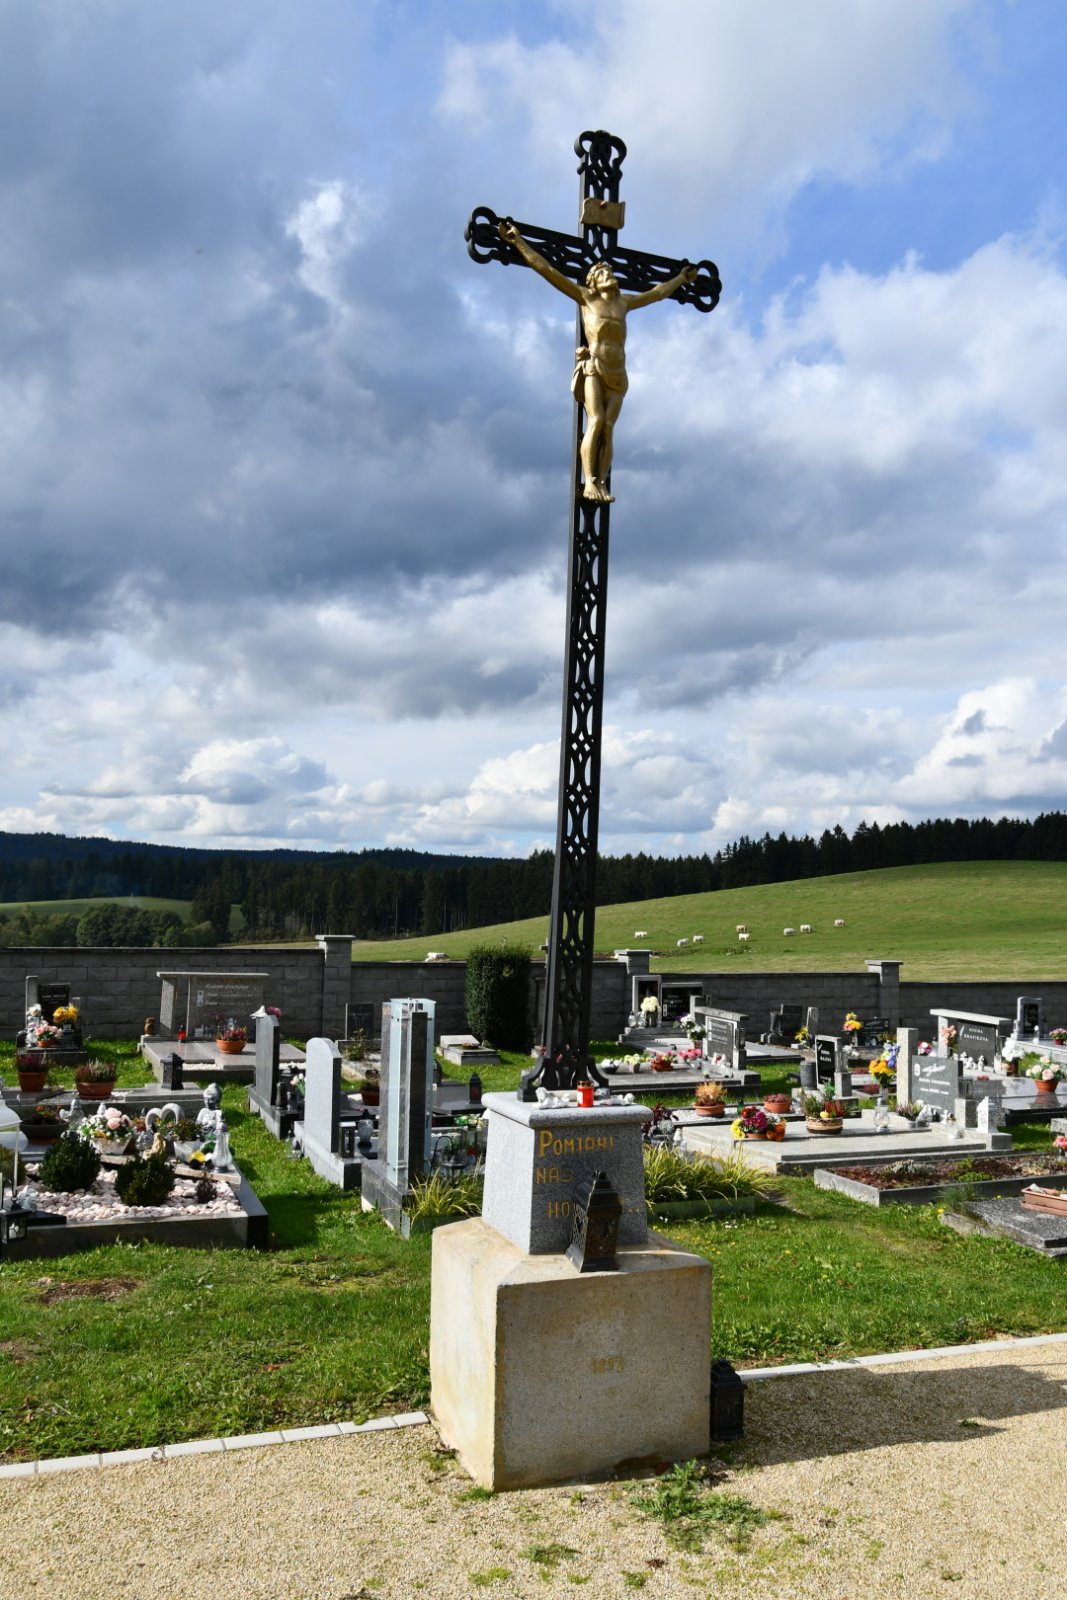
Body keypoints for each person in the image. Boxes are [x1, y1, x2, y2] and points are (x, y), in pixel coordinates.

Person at [499, 219, 697, 502]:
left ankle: (602, 482)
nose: (609, 273)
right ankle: (590, 481)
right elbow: (547, 269)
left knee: (608, 429)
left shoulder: (624, 303)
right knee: (597, 420)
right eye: (602, 272)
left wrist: (681, 279)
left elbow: (657, 293)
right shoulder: (586, 298)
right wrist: (518, 242)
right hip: (594, 368)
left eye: (610, 271)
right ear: (593, 280)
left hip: (619, 374)